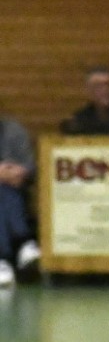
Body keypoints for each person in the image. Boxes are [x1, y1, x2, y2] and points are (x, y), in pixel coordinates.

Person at [0, 113, 37, 288]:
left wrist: (20, 172)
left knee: (5, 190)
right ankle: (23, 242)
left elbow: (30, 166)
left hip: (15, 191)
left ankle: (3, 261)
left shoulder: (14, 131)